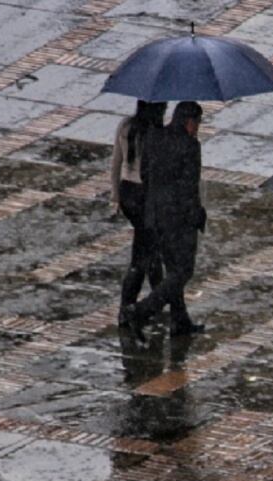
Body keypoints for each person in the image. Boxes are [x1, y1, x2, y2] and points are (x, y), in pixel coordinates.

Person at [122, 101, 207, 341]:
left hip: (154, 215)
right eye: (198, 123)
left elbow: (145, 174)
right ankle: (141, 311)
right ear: (190, 122)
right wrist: (196, 214)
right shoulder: (190, 146)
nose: (198, 128)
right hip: (179, 219)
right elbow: (190, 186)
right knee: (182, 271)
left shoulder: (154, 137)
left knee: (170, 269)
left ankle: (180, 320)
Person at [110, 100, 166, 325]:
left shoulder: (125, 126)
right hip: (145, 195)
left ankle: (156, 300)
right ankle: (129, 307)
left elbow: (116, 163)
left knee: (149, 248)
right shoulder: (156, 133)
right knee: (142, 255)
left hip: (127, 192)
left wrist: (115, 197)